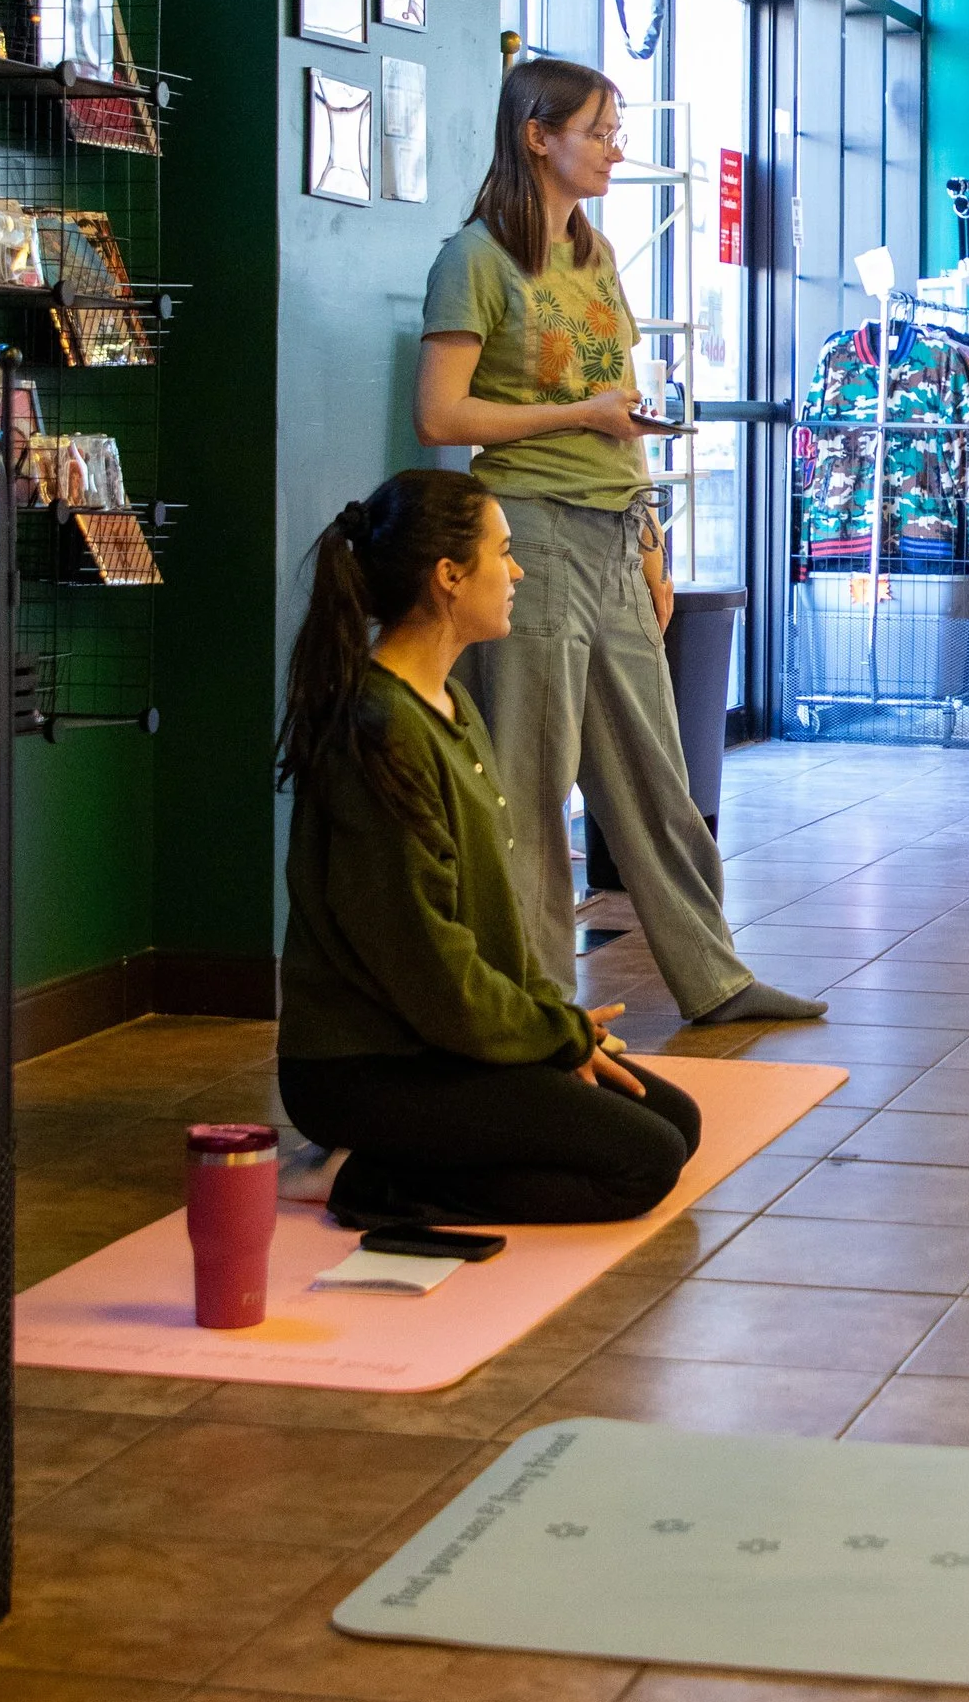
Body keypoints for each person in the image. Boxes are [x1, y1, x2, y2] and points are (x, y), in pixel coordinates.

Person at [411, 55, 822, 1030]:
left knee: (655, 773)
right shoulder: (473, 259)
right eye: (596, 129)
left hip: (611, 531)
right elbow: (439, 416)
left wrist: (648, 535)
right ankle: (525, 1005)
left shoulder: (593, 259)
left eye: (615, 127)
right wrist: (577, 417)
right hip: (528, 537)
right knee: (526, 779)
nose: (613, 146)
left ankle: (713, 975)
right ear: (535, 136)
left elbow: (618, 407)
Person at [276, 471, 702, 1227]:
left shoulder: (452, 702)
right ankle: (359, 1178)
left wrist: (546, 1028)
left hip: (439, 1036)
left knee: (677, 1122)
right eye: (502, 554)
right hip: (369, 1067)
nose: (518, 572)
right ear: (447, 578)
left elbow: (480, 933)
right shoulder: (380, 734)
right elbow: (429, 964)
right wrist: (550, 1037)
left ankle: (408, 1154)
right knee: (644, 1161)